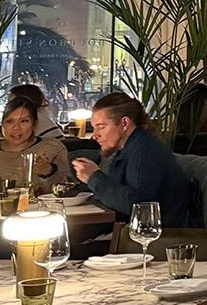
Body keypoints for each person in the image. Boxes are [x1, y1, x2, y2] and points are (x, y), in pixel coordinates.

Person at [71, 93, 193, 225]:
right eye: (94, 127)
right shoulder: (128, 148)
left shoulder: (144, 150)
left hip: (161, 233)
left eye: (101, 127)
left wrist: (93, 177)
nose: (95, 135)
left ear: (124, 123)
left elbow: (139, 206)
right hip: (129, 227)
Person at [0, 96, 70, 191]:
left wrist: (48, 171)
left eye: (24, 121)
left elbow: (68, 187)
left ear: (34, 124)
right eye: (9, 121)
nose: (16, 127)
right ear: (2, 124)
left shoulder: (52, 148)